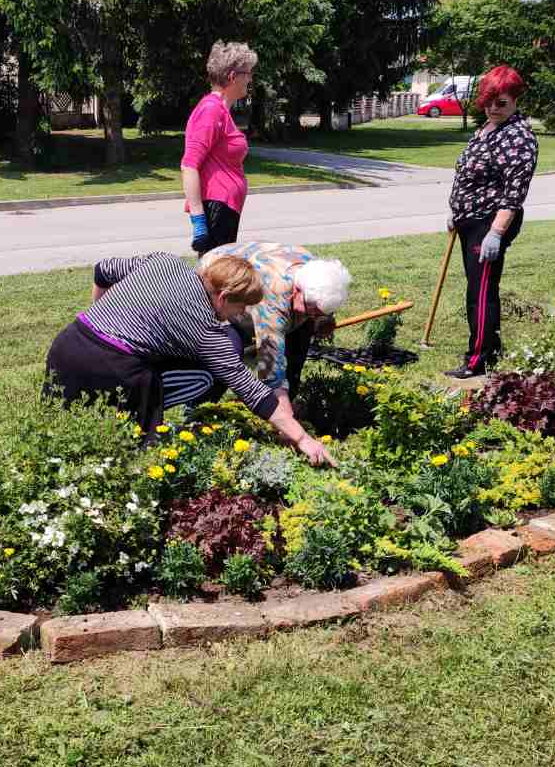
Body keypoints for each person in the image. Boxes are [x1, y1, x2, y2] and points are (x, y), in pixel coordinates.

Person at [45, 251, 335, 466]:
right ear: (222, 296)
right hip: (113, 371)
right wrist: (302, 438)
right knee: (131, 451)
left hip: (67, 346)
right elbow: (250, 389)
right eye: (240, 308)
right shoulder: (205, 330)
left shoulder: (163, 262)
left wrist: (100, 311)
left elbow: (103, 269)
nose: (239, 315)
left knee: (57, 433)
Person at [443, 64, 539, 377]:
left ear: (515, 100)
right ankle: (491, 350)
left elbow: (513, 193)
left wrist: (496, 233)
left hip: (489, 223)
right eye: (488, 101)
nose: (493, 108)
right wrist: (455, 211)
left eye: (501, 103)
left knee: (481, 292)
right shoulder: (486, 129)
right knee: (477, 287)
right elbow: (468, 174)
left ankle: (479, 361)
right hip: (469, 220)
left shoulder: (518, 138)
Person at [203, 240, 352, 409]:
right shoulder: (274, 297)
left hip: (259, 272)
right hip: (219, 285)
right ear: (297, 290)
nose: (311, 316)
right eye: (310, 310)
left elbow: (322, 299)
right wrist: (283, 412)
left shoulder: (319, 275)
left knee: (298, 347)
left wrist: (324, 318)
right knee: (226, 353)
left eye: (317, 312)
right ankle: (199, 410)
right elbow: (270, 367)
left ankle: (287, 405)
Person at [182, 41, 256, 255]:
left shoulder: (221, 111)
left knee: (219, 273)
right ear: (233, 76)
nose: (249, 79)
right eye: (247, 73)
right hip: (216, 208)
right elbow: (189, 165)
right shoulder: (211, 110)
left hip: (225, 208)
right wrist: (198, 221)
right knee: (215, 275)